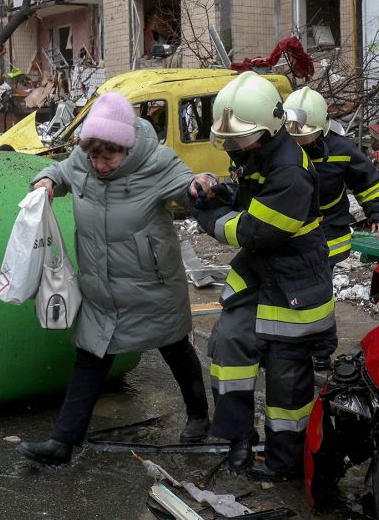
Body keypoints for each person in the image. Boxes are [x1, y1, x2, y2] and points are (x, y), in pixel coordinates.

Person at [18, 91, 209, 465]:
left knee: (175, 349)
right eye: (94, 155)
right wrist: (46, 181)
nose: (100, 164)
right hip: (100, 288)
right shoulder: (83, 162)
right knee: (90, 357)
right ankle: (62, 443)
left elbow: (189, 187)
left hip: (151, 286)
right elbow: (60, 170)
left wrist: (200, 184)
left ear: (126, 145)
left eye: (109, 156)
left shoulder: (156, 163)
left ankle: (199, 415)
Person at [188, 72, 334, 481]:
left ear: (269, 129)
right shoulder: (260, 154)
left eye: (239, 138)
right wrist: (216, 191)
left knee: (287, 384)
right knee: (229, 346)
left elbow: (253, 231)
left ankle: (285, 463)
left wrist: (205, 212)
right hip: (260, 279)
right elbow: (252, 200)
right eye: (228, 138)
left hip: (293, 288)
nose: (232, 146)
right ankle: (238, 438)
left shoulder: (290, 170)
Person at [283, 87, 379, 369]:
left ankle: (320, 352)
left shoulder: (341, 150)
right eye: (291, 132)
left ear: (322, 126)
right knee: (289, 294)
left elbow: (366, 181)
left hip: (329, 235)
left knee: (318, 296)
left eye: (303, 133)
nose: (297, 139)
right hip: (290, 234)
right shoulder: (283, 146)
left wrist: (376, 212)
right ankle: (287, 346)